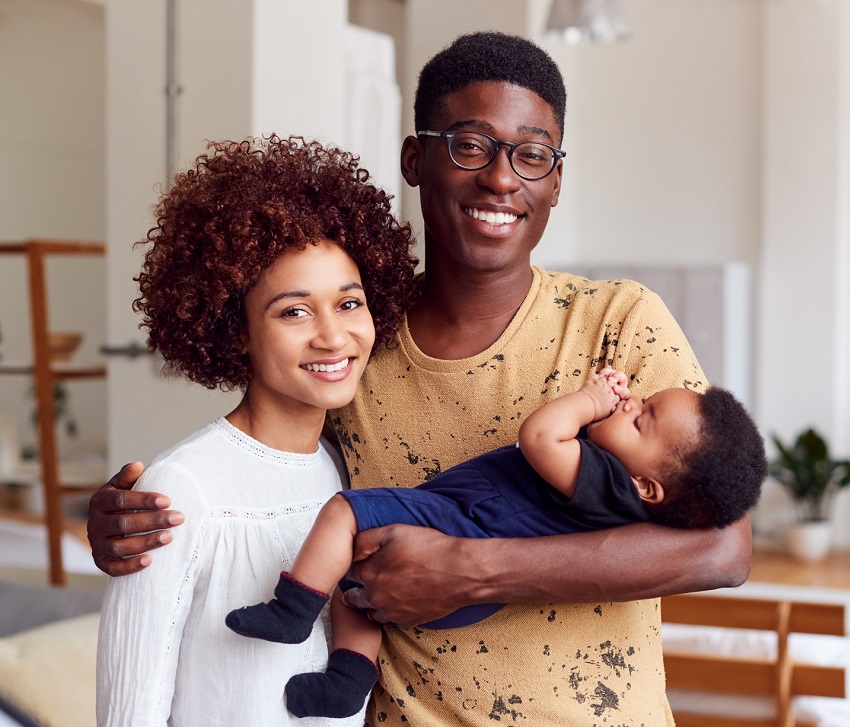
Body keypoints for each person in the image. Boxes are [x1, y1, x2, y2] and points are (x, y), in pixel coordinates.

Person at [88, 32, 755, 724]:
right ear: (415, 159)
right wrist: (151, 517)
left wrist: (474, 570)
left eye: (532, 155)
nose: (502, 179)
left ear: (556, 180)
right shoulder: (358, 337)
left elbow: (723, 548)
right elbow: (268, 468)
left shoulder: (618, 321)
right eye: (470, 145)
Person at [95, 135, 418, 726]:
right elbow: (129, 709)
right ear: (236, 330)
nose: (333, 337)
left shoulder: (341, 467)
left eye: (349, 303)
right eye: (294, 311)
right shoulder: (182, 488)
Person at [225, 368, 765, 718]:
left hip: (463, 526)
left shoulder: (603, 481)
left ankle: (292, 609)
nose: (630, 403)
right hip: (468, 594)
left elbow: (540, 437)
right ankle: (347, 683)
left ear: (647, 488)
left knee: (345, 512)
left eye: (642, 419)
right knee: (357, 591)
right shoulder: (629, 500)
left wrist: (590, 399)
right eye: (641, 400)